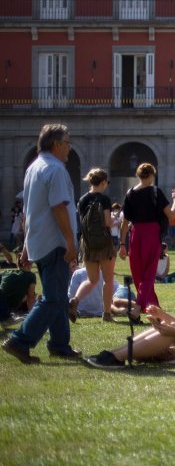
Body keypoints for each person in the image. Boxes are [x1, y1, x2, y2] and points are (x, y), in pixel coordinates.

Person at [3, 124, 80, 364]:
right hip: (55, 242)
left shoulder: (33, 168)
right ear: (56, 144)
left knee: (54, 294)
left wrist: (26, 246)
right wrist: (70, 240)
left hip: (39, 242)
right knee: (54, 298)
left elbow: (29, 211)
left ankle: (59, 345)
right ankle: (20, 340)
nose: (69, 147)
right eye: (67, 142)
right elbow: (58, 207)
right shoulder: (56, 169)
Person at [118, 163, 173, 311]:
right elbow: (171, 216)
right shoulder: (156, 192)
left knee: (138, 273)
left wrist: (122, 244)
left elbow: (124, 223)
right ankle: (138, 307)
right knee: (149, 272)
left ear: (138, 175)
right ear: (152, 175)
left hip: (135, 234)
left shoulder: (129, 193)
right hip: (152, 233)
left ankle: (152, 307)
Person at [69, 168, 117, 323]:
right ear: (102, 182)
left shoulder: (82, 200)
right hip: (104, 243)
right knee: (108, 280)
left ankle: (75, 300)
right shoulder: (104, 199)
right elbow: (107, 223)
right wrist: (118, 220)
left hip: (88, 243)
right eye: (107, 183)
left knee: (92, 279)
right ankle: (107, 314)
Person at [66, 268, 140, 322]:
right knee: (112, 304)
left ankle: (137, 306)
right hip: (107, 303)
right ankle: (131, 308)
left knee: (115, 301)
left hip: (121, 291)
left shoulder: (78, 273)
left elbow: (70, 297)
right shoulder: (104, 272)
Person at [0, 262, 36, 327]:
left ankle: (4, 317)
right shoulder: (30, 276)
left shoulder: (6, 272)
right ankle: (5, 319)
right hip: (8, 306)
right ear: (29, 264)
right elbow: (31, 297)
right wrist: (32, 314)